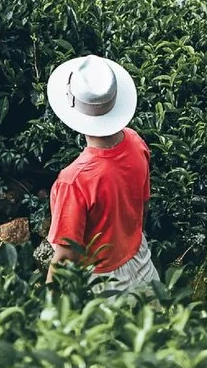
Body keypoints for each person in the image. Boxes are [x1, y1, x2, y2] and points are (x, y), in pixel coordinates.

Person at [43, 54, 157, 295]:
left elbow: (66, 256)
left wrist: (49, 306)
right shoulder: (136, 142)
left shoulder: (73, 180)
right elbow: (143, 208)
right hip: (142, 263)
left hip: (104, 285)